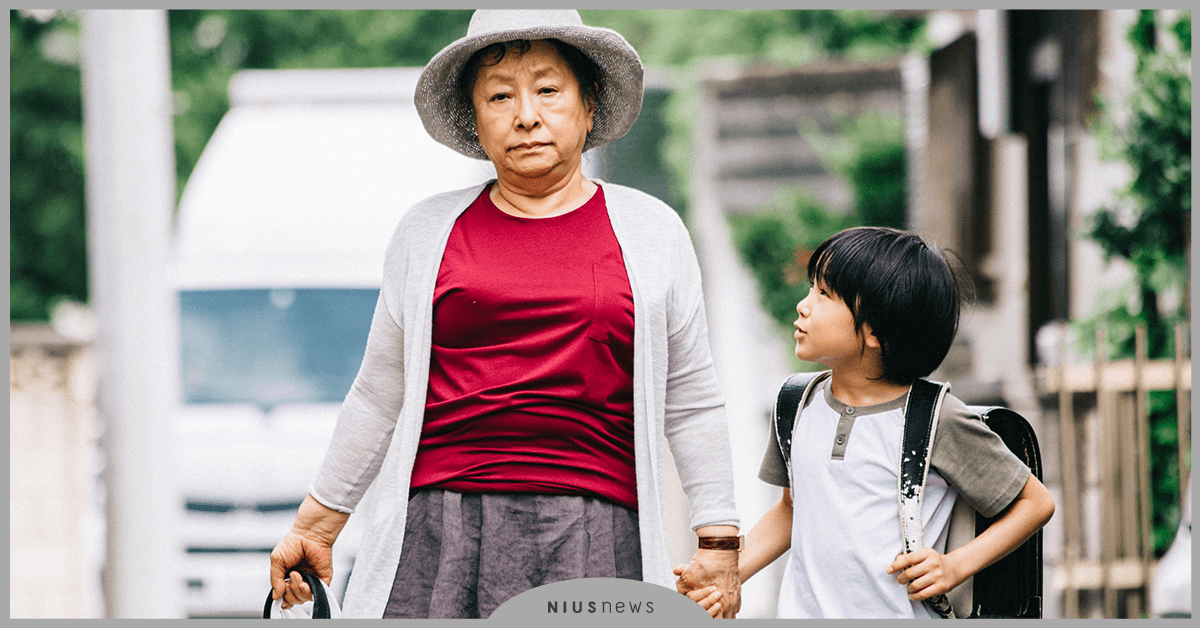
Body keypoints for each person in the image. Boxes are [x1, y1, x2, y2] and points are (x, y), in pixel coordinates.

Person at [268, 10, 742, 619]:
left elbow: (692, 397)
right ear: (475, 118)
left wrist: (719, 540)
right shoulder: (427, 232)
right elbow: (379, 392)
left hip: (592, 531)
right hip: (440, 530)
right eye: (499, 96)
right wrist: (316, 526)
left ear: (589, 103)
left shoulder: (652, 232)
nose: (525, 115)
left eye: (547, 90)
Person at [678, 226, 1055, 618]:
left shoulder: (932, 418)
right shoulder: (795, 405)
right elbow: (791, 509)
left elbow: (1035, 502)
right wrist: (726, 577)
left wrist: (954, 566)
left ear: (876, 330)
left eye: (824, 294)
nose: (803, 306)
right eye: (811, 289)